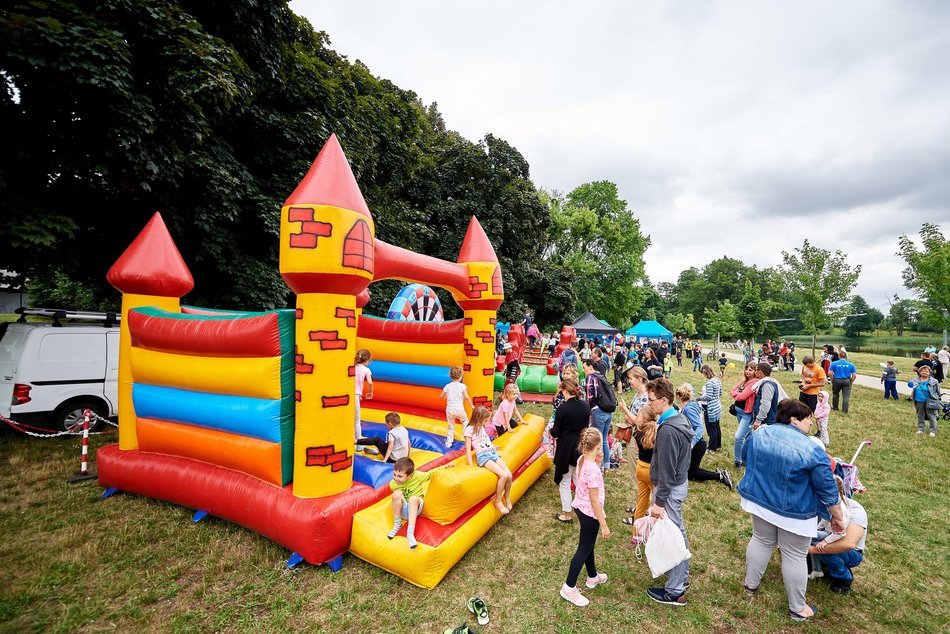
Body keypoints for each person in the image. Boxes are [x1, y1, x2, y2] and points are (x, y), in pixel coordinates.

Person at [738, 398, 846, 622]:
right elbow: (827, 487)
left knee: (761, 540)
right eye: (808, 420)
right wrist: (837, 516)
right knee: (794, 555)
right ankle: (797, 607)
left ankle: (750, 585)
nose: (810, 425)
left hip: (761, 500)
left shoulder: (759, 434)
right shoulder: (811, 448)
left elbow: (746, 457)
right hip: (795, 509)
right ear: (794, 420)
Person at [644, 378, 693, 606]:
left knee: (672, 536)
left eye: (651, 400)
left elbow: (667, 471)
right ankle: (681, 576)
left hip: (670, 490)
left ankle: (674, 591)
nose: (649, 403)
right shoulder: (677, 418)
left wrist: (659, 502)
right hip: (676, 486)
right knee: (678, 531)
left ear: (664, 400)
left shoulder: (668, 431)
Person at [559, 428, 611, 607]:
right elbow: (595, 501)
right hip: (590, 513)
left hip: (580, 507)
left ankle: (592, 576)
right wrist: (603, 524)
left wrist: (598, 460)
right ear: (596, 446)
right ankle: (568, 588)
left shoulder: (582, 459)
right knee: (583, 548)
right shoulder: (593, 471)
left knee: (588, 545)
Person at [808, 476, 869, 594]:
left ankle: (843, 578)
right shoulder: (821, 504)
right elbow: (822, 524)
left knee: (824, 550)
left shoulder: (853, 510)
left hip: (851, 551)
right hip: (829, 536)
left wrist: (813, 549)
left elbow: (848, 543)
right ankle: (816, 568)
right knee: (810, 538)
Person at [677, 383, 733, 490]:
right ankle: (719, 474)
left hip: (697, 445)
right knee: (690, 470)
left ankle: (720, 476)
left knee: (691, 473)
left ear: (679, 397)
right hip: (696, 443)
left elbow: (700, 427)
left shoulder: (688, 409)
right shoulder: (691, 405)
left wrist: (692, 443)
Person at [552, 376, 591, 523]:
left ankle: (567, 514)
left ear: (564, 391)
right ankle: (584, 508)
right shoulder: (585, 405)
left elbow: (556, 432)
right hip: (581, 446)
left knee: (565, 481)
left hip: (567, 449)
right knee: (579, 478)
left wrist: (551, 431)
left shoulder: (563, 408)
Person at [616, 365, 653, 522]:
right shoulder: (640, 394)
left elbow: (639, 422)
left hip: (637, 439)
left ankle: (642, 511)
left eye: (631, 379)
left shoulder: (645, 398)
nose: (629, 382)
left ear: (639, 379)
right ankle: (640, 506)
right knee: (636, 475)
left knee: (638, 476)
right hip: (633, 437)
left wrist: (625, 410)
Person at [465, 406, 514, 514]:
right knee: (504, 475)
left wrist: (492, 446)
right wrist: (470, 465)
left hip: (492, 452)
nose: (487, 422)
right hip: (483, 456)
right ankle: (498, 501)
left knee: (509, 475)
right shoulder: (469, 429)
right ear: (478, 418)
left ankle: (507, 496)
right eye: (486, 420)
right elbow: (468, 449)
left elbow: (484, 440)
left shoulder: (481, 426)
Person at [388, 456, 432, 549]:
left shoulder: (417, 476)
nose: (396, 478)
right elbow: (397, 500)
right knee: (396, 494)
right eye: (394, 474)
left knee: (413, 499)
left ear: (409, 476)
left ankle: (410, 532)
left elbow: (431, 474)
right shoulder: (393, 484)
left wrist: (446, 466)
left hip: (416, 508)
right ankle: (397, 524)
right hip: (404, 510)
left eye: (400, 476)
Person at [583, 358, 613, 472]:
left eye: (585, 368)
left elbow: (590, 398)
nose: (584, 370)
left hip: (598, 411)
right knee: (604, 439)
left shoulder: (591, 378)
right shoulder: (602, 376)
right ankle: (606, 465)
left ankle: (598, 467)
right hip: (608, 411)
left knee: (597, 440)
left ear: (591, 367)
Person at [729, 363, 759, 468]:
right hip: (739, 411)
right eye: (747, 369)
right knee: (749, 436)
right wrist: (737, 395)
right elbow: (732, 391)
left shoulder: (754, 383)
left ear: (755, 371)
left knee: (739, 437)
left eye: (751, 370)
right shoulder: (744, 381)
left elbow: (742, 397)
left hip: (747, 414)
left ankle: (739, 461)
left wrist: (737, 395)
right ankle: (751, 457)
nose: (747, 371)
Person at [441, 366, 474, 449]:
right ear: (461, 376)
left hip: (450, 410)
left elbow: (441, 396)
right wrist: (472, 406)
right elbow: (466, 397)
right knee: (465, 421)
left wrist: (448, 396)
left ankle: (448, 443)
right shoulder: (462, 386)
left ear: (451, 376)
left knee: (451, 426)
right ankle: (468, 440)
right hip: (459, 409)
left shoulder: (447, 386)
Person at [696, 365, 724, 453]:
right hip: (717, 407)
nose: (703, 375)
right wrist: (704, 394)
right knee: (716, 426)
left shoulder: (710, 383)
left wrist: (699, 398)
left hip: (710, 408)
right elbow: (720, 393)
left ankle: (712, 448)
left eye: (703, 373)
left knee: (711, 428)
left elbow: (708, 397)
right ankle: (718, 444)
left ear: (706, 372)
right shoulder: (717, 380)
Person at [750, 363, 785, 430]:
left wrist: (759, 419)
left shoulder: (767, 385)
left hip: (767, 421)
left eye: (756, 370)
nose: (755, 372)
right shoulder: (767, 382)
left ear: (760, 372)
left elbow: (766, 403)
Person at [909, 365, 941, 437]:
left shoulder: (934, 381)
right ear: (919, 372)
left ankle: (933, 431)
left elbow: (937, 391)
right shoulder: (915, 380)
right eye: (922, 371)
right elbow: (913, 388)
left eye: (926, 371)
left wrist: (934, 398)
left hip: (930, 401)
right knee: (920, 415)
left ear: (929, 373)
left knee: (931, 416)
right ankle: (921, 429)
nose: (924, 372)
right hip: (918, 400)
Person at [354, 348, 374, 449]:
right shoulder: (366, 370)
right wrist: (370, 392)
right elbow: (370, 382)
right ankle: (359, 445)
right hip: (355, 396)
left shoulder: (352, 367)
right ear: (367, 360)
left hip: (349, 394)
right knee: (357, 420)